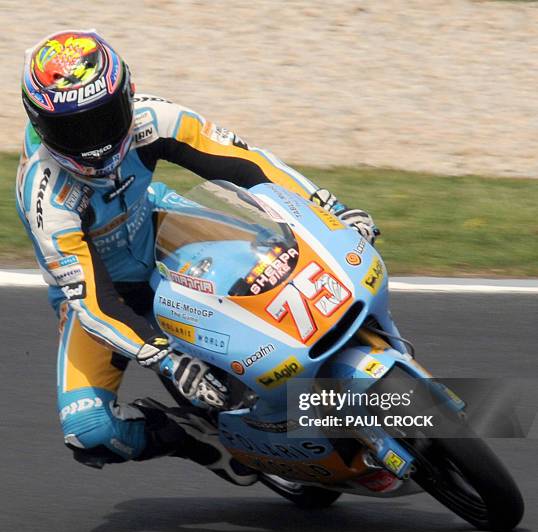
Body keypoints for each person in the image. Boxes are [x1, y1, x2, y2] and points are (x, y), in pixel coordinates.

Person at [17, 30, 378, 483]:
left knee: (290, 266)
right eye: (72, 130)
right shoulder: (46, 196)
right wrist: (167, 360)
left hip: (166, 230)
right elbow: (92, 300)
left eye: (105, 119)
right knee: (87, 429)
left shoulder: (153, 118)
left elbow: (245, 163)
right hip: (104, 295)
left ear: (127, 94)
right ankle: (190, 438)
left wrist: (333, 209)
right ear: (39, 124)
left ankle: (374, 348)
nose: (95, 144)